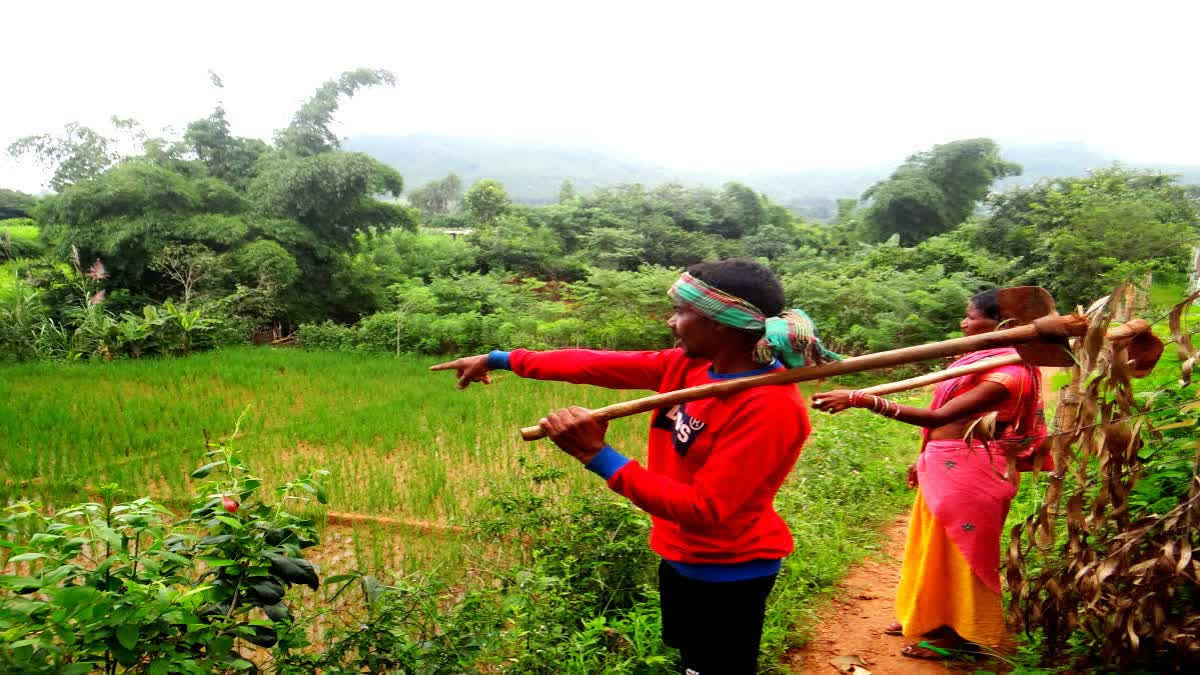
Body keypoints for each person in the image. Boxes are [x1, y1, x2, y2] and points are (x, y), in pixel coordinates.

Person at [431, 258, 837, 674]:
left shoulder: (770, 408)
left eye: (682, 312)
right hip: (680, 556)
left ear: (720, 323)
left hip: (729, 570)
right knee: (689, 662)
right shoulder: (687, 367)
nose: (671, 321)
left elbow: (705, 510)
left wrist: (597, 456)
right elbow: (593, 364)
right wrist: (500, 359)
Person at [811, 289, 1047, 660]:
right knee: (930, 548)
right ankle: (926, 615)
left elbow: (941, 417)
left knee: (961, 555)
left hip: (974, 471)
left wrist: (866, 400)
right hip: (945, 464)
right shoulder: (978, 362)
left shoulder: (1009, 373)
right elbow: (944, 427)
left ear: (1004, 325)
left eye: (970, 317)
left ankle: (959, 635)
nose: (963, 323)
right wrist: (921, 458)